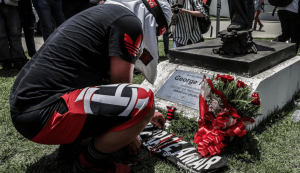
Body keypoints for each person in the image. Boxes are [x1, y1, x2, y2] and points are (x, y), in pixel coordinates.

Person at [10, 0, 171, 172]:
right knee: (144, 99)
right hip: (42, 113)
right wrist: (133, 132)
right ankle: (88, 164)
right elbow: (122, 86)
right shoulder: (129, 21)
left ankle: (75, 144)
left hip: (28, 109)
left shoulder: (106, 13)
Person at [0, 0, 28, 70]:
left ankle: (18, 60)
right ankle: (6, 61)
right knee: (1, 35)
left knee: (15, 33)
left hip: (12, 4)